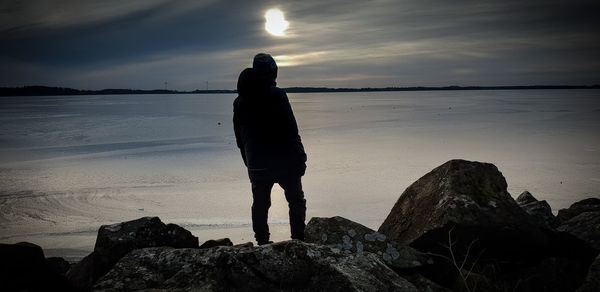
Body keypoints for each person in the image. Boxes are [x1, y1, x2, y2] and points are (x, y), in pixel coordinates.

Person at [233, 53, 308, 245]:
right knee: (296, 200)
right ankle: (298, 242)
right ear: (272, 72)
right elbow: (291, 129)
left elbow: (239, 138)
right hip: (285, 161)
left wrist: (249, 164)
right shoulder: (277, 95)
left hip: (257, 163)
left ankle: (262, 243)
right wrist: (300, 156)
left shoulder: (239, 101)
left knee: (260, 204)